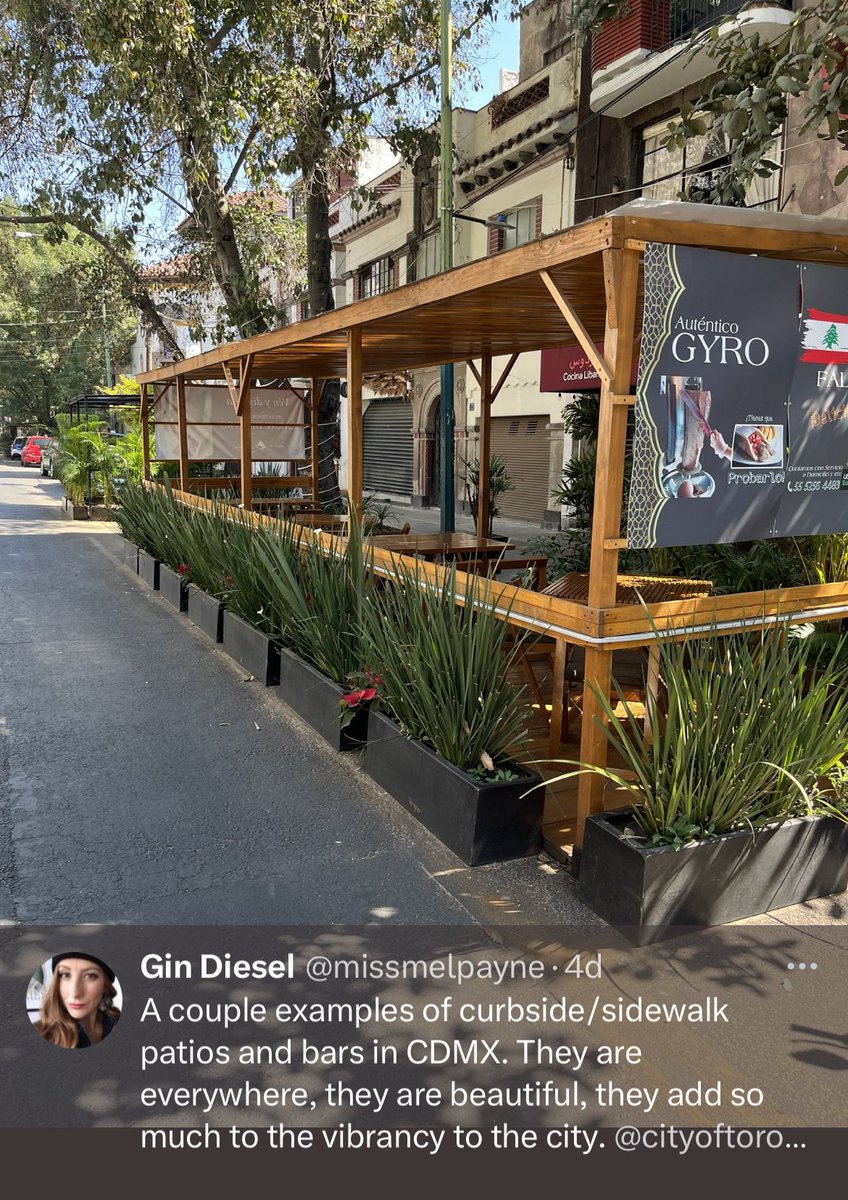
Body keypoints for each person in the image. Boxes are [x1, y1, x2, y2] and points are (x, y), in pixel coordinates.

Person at [36, 953, 120, 1049]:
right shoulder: (42, 1035)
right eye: (65, 974)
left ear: (105, 986)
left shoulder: (117, 1021)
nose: (75, 993)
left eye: (90, 976)